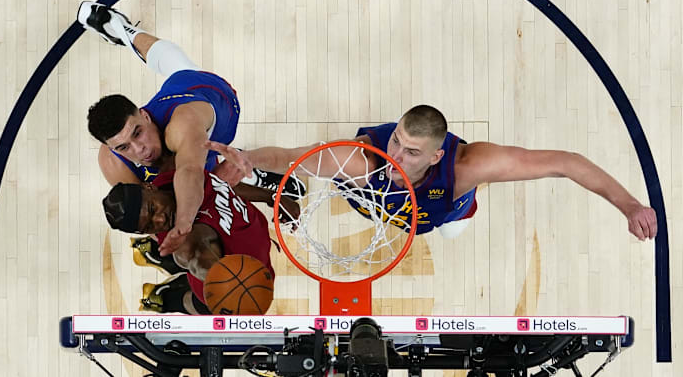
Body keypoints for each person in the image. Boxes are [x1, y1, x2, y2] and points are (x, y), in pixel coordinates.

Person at [230, 105, 657, 240]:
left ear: (435, 157)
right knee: (296, 169)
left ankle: (454, 221)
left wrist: (630, 205)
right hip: (373, 206)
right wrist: (249, 159)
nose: (396, 153)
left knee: (453, 228)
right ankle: (263, 181)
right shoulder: (365, 161)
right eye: (396, 139)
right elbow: (291, 155)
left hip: (444, 214)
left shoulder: (467, 166)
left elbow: (565, 162)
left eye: (411, 151)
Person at [78, 1, 304, 257]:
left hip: (206, 94)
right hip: (191, 148)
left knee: (172, 63)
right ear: (111, 148)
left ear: (145, 115)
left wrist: (186, 221)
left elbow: (194, 175)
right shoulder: (113, 162)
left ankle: (123, 29)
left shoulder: (181, 124)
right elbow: (150, 221)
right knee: (184, 198)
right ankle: (247, 172)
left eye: (137, 133)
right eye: (123, 147)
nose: (139, 149)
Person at [102, 169, 299, 314]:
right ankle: (166, 299)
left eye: (153, 209)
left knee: (172, 257)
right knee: (195, 304)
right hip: (223, 287)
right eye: (149, 227)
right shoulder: (187, 245)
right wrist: (234, 287)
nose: (160, 220)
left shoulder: (177, 176)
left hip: (252, 234)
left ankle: (156, 256)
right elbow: (195, 255)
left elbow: (223, 188)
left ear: (150, 186)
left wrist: (273, 197)